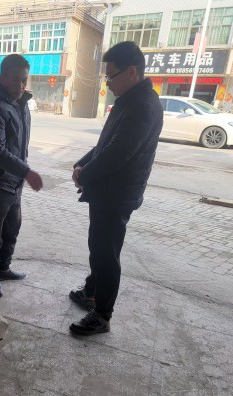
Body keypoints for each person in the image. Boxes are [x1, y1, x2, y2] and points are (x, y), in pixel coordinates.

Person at [68, 41, 163, 335]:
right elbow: (105, 144)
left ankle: (102, 315)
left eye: (111, 76)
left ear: (131, 71)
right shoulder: (129, 99)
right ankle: (92, 292)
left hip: (117, 194)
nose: (108, 83)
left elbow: (117, 153)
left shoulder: (143, 106)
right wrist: (82, 163)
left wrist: (85, 174)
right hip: (107, 191)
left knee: (106, 255)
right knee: (98, 246)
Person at [0, 54, 43, 298]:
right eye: (16, 80)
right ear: (2, 78)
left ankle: (4, 268)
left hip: (14, 181)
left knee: (12, 228)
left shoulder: (19, 104)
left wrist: (21, 173)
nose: (21, 86)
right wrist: (27, 171)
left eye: (24, 80)